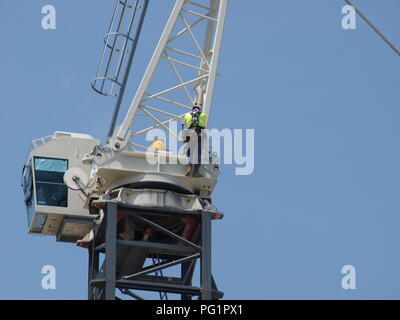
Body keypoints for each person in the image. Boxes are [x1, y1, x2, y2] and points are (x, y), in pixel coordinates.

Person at [183, 105, 207, 176]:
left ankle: (189, 168)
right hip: (198, 135)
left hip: (190, 134)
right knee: (198, 154)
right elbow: (203, 124)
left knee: (189, 153)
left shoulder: (187, 115)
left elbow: (184, 123)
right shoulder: (203, 115)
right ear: (199, 110)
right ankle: (196, 171)